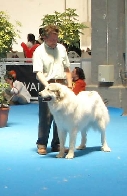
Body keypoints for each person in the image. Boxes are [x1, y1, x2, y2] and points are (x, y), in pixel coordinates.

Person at [32, 24, 73, 155]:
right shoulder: (38, 51)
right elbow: (38, 73)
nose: (55, 42)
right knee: (46, 116)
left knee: (61, 116)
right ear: (44, 38)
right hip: (46, 86)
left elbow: (67, 69)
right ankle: (42, 144)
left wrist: (70, 85)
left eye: (56, 39)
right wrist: (48, 87)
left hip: (61, 86)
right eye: (52, 39)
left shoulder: (62, 49)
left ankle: (57, 144)